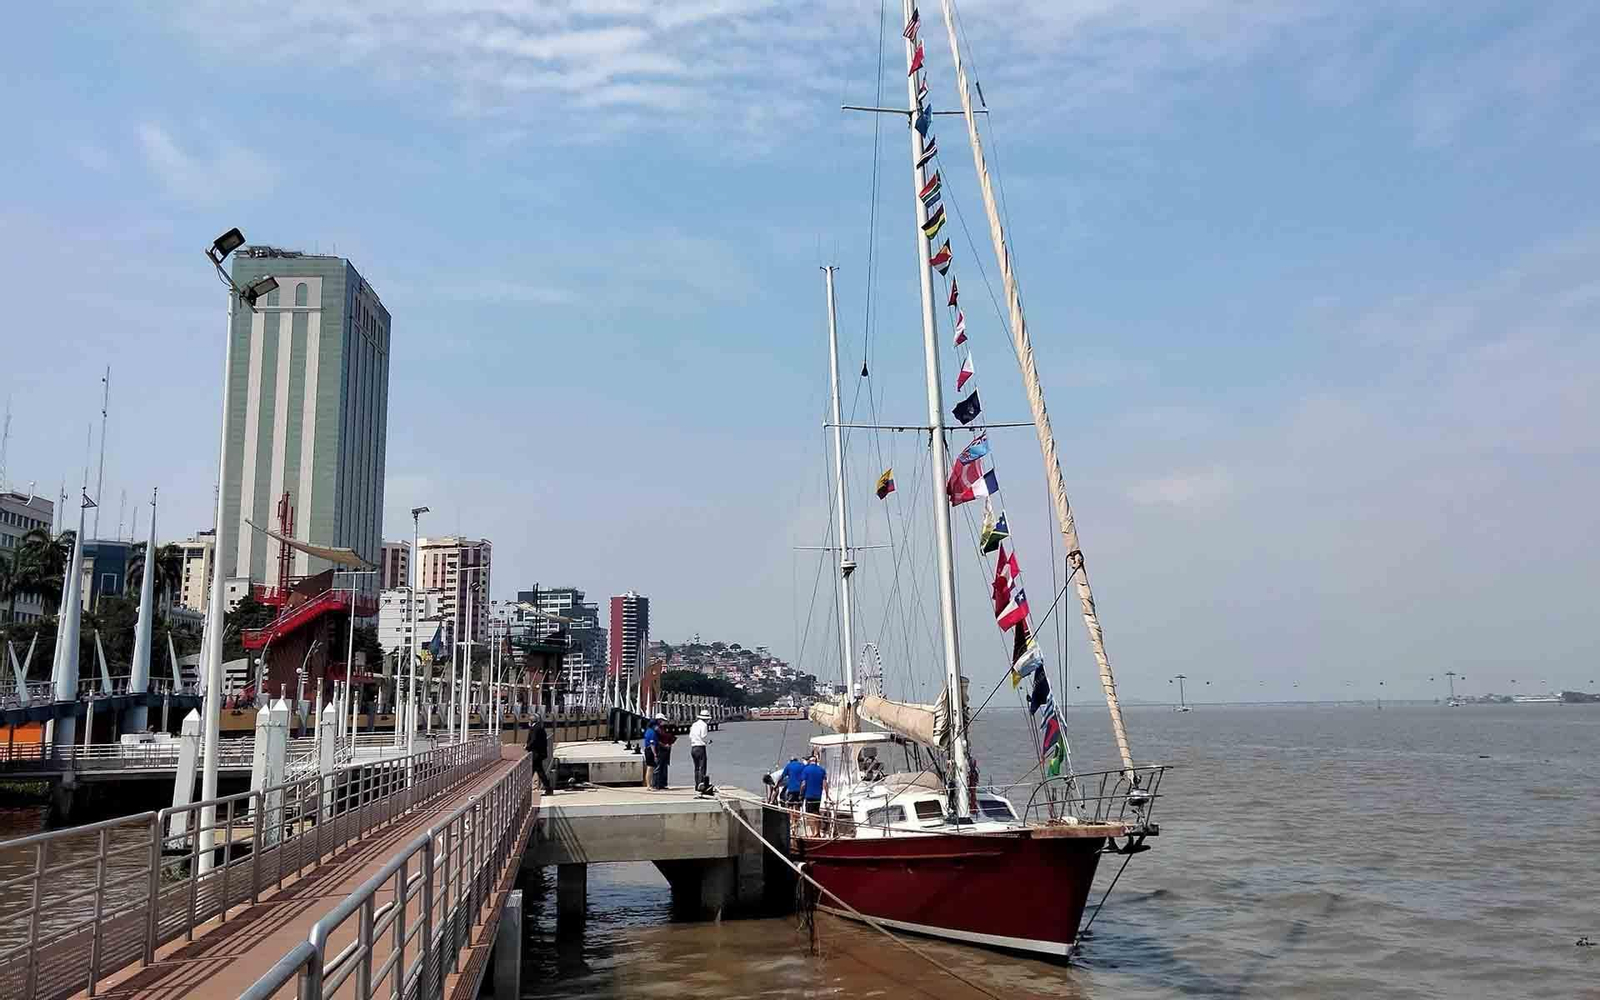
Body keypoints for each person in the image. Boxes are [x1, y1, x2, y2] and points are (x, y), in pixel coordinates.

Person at [800, 754, 827, 834]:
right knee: (816, 813)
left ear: (809, 761)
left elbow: (803, 784)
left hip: (809, 795)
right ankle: (818, 832)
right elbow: (825, 783)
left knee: (810, 815)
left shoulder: (806, 770)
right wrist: (827, 794)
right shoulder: (822, 770)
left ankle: (813, 833)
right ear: (816, 761)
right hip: (818, 796)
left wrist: (801, 793)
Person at [525, 720, 554, 794]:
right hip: (540, 753)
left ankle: (548, 788)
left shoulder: (535, 728)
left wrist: (527, 746)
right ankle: (548, 788)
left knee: (538, 771)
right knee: (537, 771)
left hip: (536, 754)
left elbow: (533, 740)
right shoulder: (540, 727)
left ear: (531, 721)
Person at [689, 710, 712, 792]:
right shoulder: (704, 725)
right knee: (702, 767)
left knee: (696, 768)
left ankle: (697, 785)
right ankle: (701, 785)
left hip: (693, 747)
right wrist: (708, 741)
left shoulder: (694, 724)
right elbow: (703, 736)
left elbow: (690, 736)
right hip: (700, 747)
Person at [653, 714, 674, 789]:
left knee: (664, 767)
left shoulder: (662, 728)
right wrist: (665, 745)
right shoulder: (656, 729)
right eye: (662, 720)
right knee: (658, 767)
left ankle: (663, 784)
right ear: (659, 720)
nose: (663, 722)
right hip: (660, 750)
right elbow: (656, 741)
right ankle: (656, 784)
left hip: (665, 750)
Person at [642, 716, 659, 789]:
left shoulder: (648, 731)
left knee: (650, 768)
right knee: (650, 768)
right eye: (657, 725)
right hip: (650, 750)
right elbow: (652, 744)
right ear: (654, 725)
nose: (657, 727)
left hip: (647, 749)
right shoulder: (652, 732)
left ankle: (649, 784)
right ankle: (648, 785)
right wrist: (655, 754)